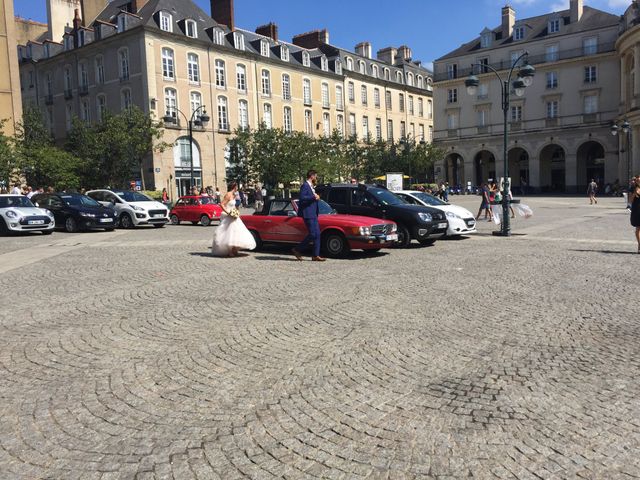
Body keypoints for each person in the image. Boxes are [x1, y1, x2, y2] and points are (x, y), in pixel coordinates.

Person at [211, 182, 256, 257]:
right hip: (229, 216)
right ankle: (230, 250)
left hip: (234, 216)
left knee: (237, 232)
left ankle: (234, 249)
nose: (237, 188)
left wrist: (236, 212)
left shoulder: (234, 195)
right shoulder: (228, 194)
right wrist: (228, 212)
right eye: (236, 187)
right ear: (234, 187)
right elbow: (222, 204)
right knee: (229, 233)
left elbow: (234, 206)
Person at [292, 169, 325, 262]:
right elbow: (302, 198)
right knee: (313, 234)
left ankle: (315, 255)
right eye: (316, 176)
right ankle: (297, 249)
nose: (316, 178)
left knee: (317, 234)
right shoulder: (305, 186)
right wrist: (314, 197)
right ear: (312, 176)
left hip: (313, 213)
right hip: (307, 213)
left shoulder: (311, 186)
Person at [629, 177, 640, 254]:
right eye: (637, 180)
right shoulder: (633, 189)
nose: (638, 181)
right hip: (637, 210)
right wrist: (634, 193)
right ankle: (639, 244)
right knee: (638, 229)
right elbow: (630, 201)